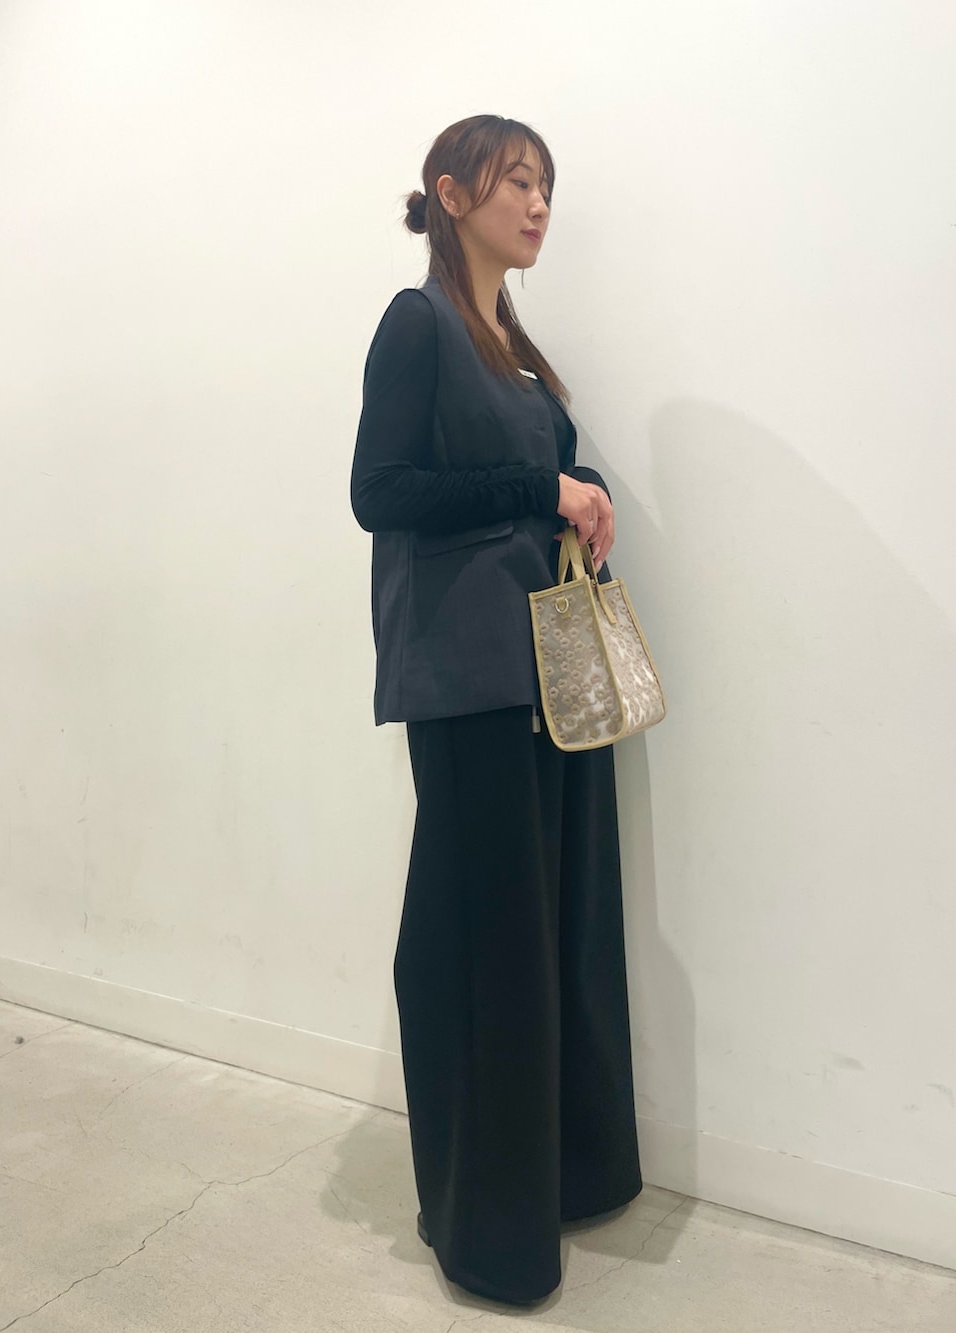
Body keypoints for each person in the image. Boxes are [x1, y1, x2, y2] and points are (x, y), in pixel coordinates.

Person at [350, 114, 641, 1306]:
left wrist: (585, 494)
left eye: (545, 186)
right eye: (517, 180)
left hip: (546, 675)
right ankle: (484, 1226)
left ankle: (561, 1181)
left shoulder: (514, 346)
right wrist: (540, 485)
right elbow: (380, 492)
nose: (537, 204)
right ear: (451, 192)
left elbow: (536, 477)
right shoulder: (416, 324)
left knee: (550, 928)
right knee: (479, 943)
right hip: (466, 675)